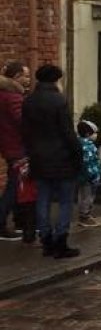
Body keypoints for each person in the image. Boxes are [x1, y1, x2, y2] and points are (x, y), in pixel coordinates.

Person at [22, 64, 82, 258]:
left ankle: (46, 239)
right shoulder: (59, 101)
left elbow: (26, 132)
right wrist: (77, 153)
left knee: (43, 199)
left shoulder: (29, 101)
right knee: (65, 201)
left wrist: (31, 153)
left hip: (39, 158)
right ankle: (61, 240)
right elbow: (67, 132)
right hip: (62, 158)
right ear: (56, 80)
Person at [0, 61, 30, 241]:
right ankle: (2, 223)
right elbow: (23, 121)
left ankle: (18, 222)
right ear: (16, 77)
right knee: (13, 186)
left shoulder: (5, 95)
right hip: (17, 147)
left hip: (9, 145)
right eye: (25, 76)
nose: (28, 79)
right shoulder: (13, 97)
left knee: (16, 185)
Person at [76, 120, 101, 228]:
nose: (96, 135)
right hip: (90, 177)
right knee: (88, 197)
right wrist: (94, 176)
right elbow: (89, 163)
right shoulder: (88, 146)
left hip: (81, 176)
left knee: (82, 196)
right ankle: (85, 216)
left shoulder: (79, 143)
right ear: (88, 134)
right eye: (94, 133)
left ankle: (85, 214)